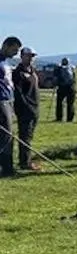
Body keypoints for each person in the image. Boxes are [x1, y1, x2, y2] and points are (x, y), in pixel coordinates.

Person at [13, 47, 41, 171]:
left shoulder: (32, 70)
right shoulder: (18, 73)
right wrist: (27, 107)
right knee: (25, 137)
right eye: (28, 56)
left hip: (35, 108)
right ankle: (25, 162)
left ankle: (26, 160)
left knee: (29, 136)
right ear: (22, 56)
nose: (31, 58)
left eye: (32, 56)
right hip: (25, 110)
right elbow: (18, 94)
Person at [0, 36, 22, 177]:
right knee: (6, 136)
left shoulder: (6, 62)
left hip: (9, 101)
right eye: (14, 50)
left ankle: (7, 167)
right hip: (1, 101)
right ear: (6, 46)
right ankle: (7, 169)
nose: (15, 54)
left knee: (8, 135)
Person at [54, 57, 77, 123]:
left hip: (62, 87)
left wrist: (55, 84)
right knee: (70, 104)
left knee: (59, 103)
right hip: (71, 88)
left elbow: (55, 78)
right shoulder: (72, 68)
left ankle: (59, 118)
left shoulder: (59, 68)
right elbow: (74, 78)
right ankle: (70, 119)